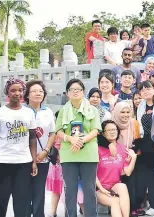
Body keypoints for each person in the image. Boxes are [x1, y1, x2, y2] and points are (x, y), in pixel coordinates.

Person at [0, 78, 37, 217]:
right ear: (7, 92)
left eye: (20, 90)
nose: (17, 93)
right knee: (2, 199)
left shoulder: (29, 113)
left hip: (23, 162)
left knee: (22, 200)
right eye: (13, 90)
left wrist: (33, 161)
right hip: (2, 162)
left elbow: (32, 137)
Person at [55, 79, 101, 217]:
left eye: (78, 89)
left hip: (88, 154)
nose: (75, 92)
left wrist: (80, 141)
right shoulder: (63, 111)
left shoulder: (92, 110)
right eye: (72, 89)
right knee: (70, 190)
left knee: (89, 189)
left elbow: (95, 130)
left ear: (83, 92)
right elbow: (58, 131)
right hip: (69, 153)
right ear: (67, 93)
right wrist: (71, 139)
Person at [24, 80, 57, 217]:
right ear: (27, 94)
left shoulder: (48, 111)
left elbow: (52, 133)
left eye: (41, 91)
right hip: (24, 159)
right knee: (24, 191)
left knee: (39, 192)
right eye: (34, 91)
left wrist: (45, 151)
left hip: (42, 158)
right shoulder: (22, 111)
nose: (38, 93)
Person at [96, 120, 137, 217]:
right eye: (108, 130)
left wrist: (134, 158)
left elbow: (127, 172)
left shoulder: (122, 149)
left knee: (122, 186)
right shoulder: (97, 149)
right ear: (103, 133)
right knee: (115, 201)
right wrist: (102, 189)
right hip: (99, 188)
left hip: (114, 185)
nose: (112, 132)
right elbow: (92, 173)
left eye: (114, 129)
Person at [134, 81, 154, 216]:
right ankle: (148, 203)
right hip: (144, 144)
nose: (145, 91)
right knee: (145, 175)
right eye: (143, 90)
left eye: (148, 88)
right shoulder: (141, 106)